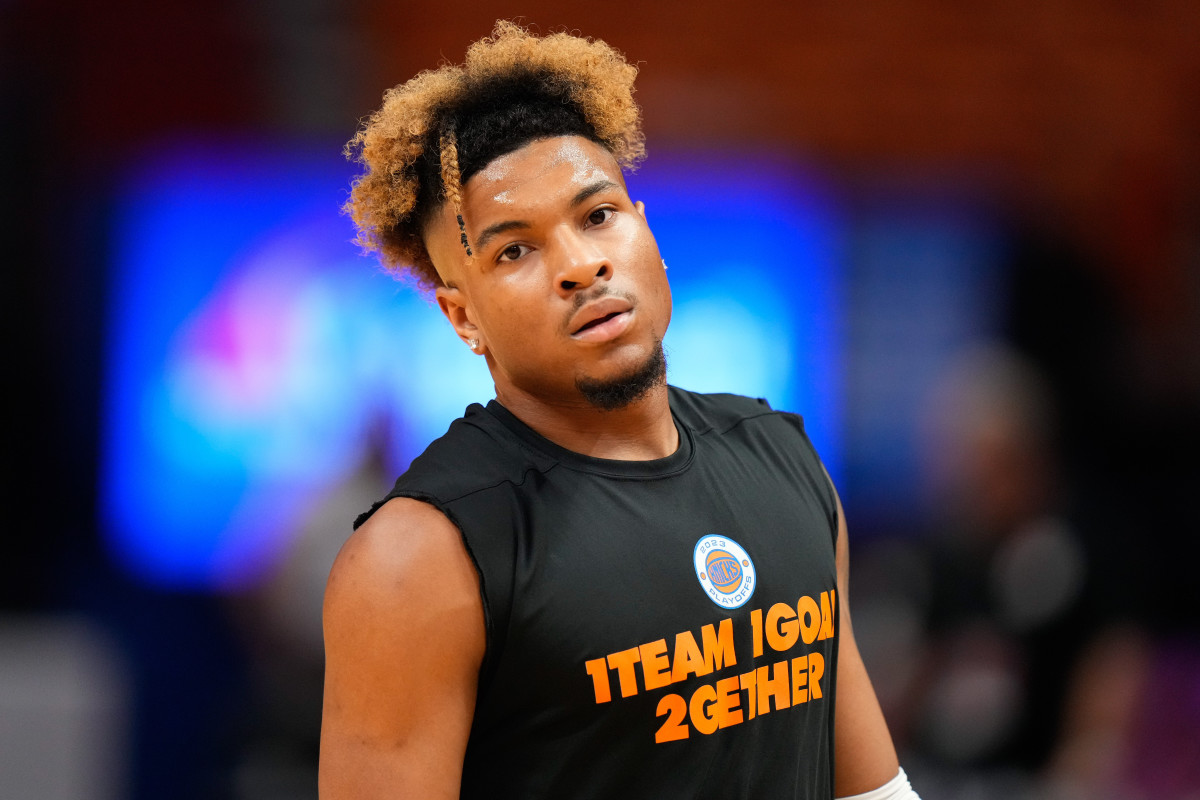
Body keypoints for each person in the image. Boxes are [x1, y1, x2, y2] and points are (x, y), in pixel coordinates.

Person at [320, 21, 919, 800]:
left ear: (646, 229)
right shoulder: (419, 558)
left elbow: (873, 794)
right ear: (461, 318)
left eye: (598, 215)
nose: (579, 264)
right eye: (514, 250)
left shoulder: (783, 459)